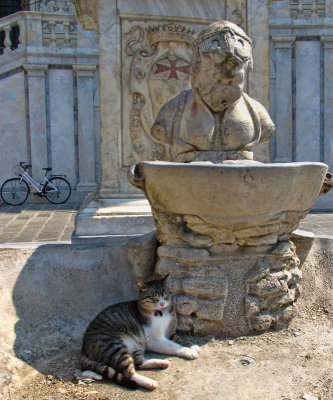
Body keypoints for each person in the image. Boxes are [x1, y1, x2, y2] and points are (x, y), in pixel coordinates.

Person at [151, 20, 275, 163]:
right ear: (195, 71)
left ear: (246, 72)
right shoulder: (172, 111)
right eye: (216, 78)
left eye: (234, 79)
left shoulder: (257, 113)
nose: (225, 81)